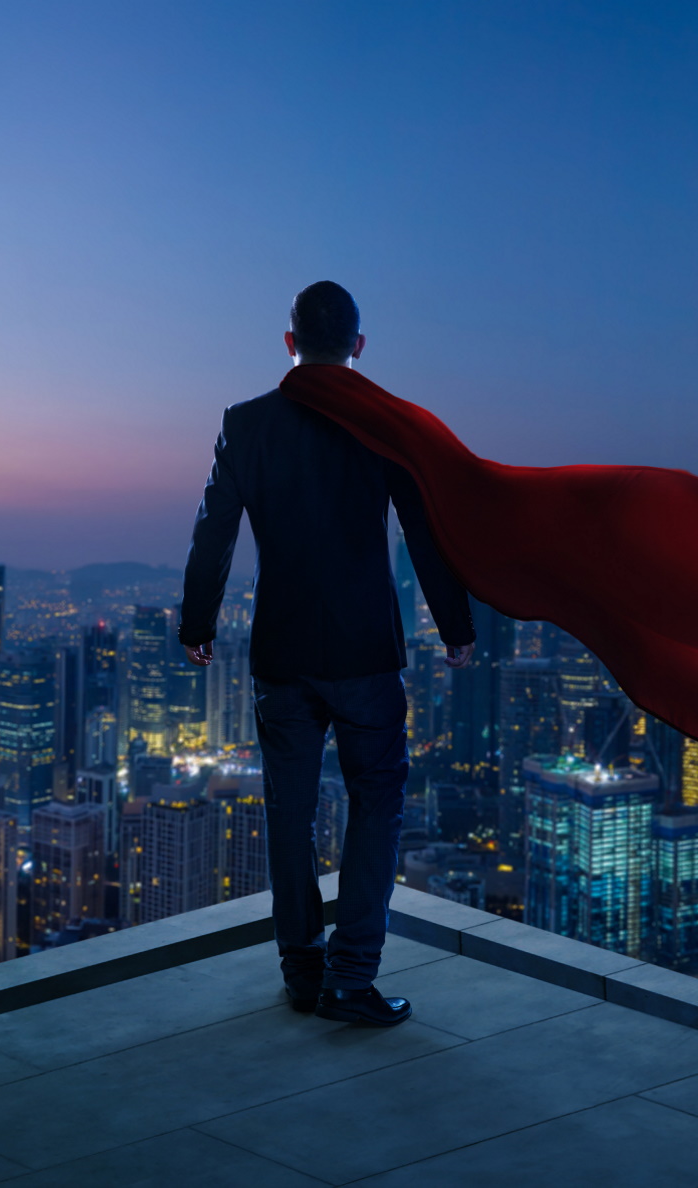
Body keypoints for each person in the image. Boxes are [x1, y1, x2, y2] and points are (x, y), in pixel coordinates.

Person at [179, 281, 475, 1028]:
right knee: (376, 803)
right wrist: (456, 625)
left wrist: (196, 622)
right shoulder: (386, 427)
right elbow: (424, 531)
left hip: (282, 654)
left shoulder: (247, 425)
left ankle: (302, 969)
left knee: (290, 811)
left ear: (289, 344)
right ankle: (351, 977)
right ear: (359, 347)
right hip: (366, 653)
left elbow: (214, 530)